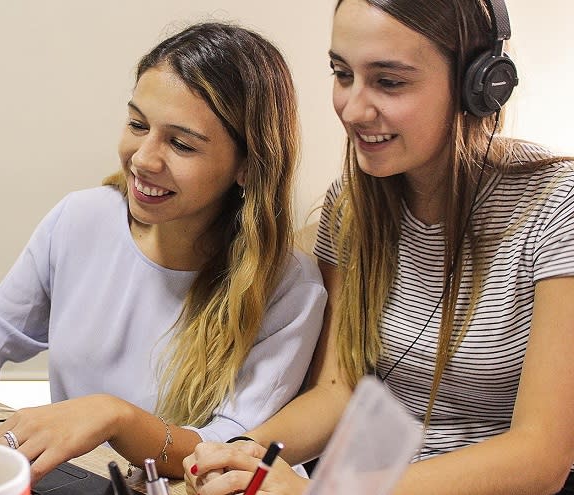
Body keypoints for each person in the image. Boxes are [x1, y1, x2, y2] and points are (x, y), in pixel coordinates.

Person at [0, 22, 326, 482]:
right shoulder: (81, 219)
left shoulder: (288, 284)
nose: (143, 158)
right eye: (138, 124)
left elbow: (228, 454)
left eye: (181, 144)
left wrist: (114, 416)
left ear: (249, 165)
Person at [183, 1, 574, 494]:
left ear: (481, 84)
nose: (352, 107)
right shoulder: (348, 206)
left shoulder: (560, 203)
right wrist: (242, 453)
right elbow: (336, 391)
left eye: (389, 82)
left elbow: (540, 456)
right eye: (342, 73)